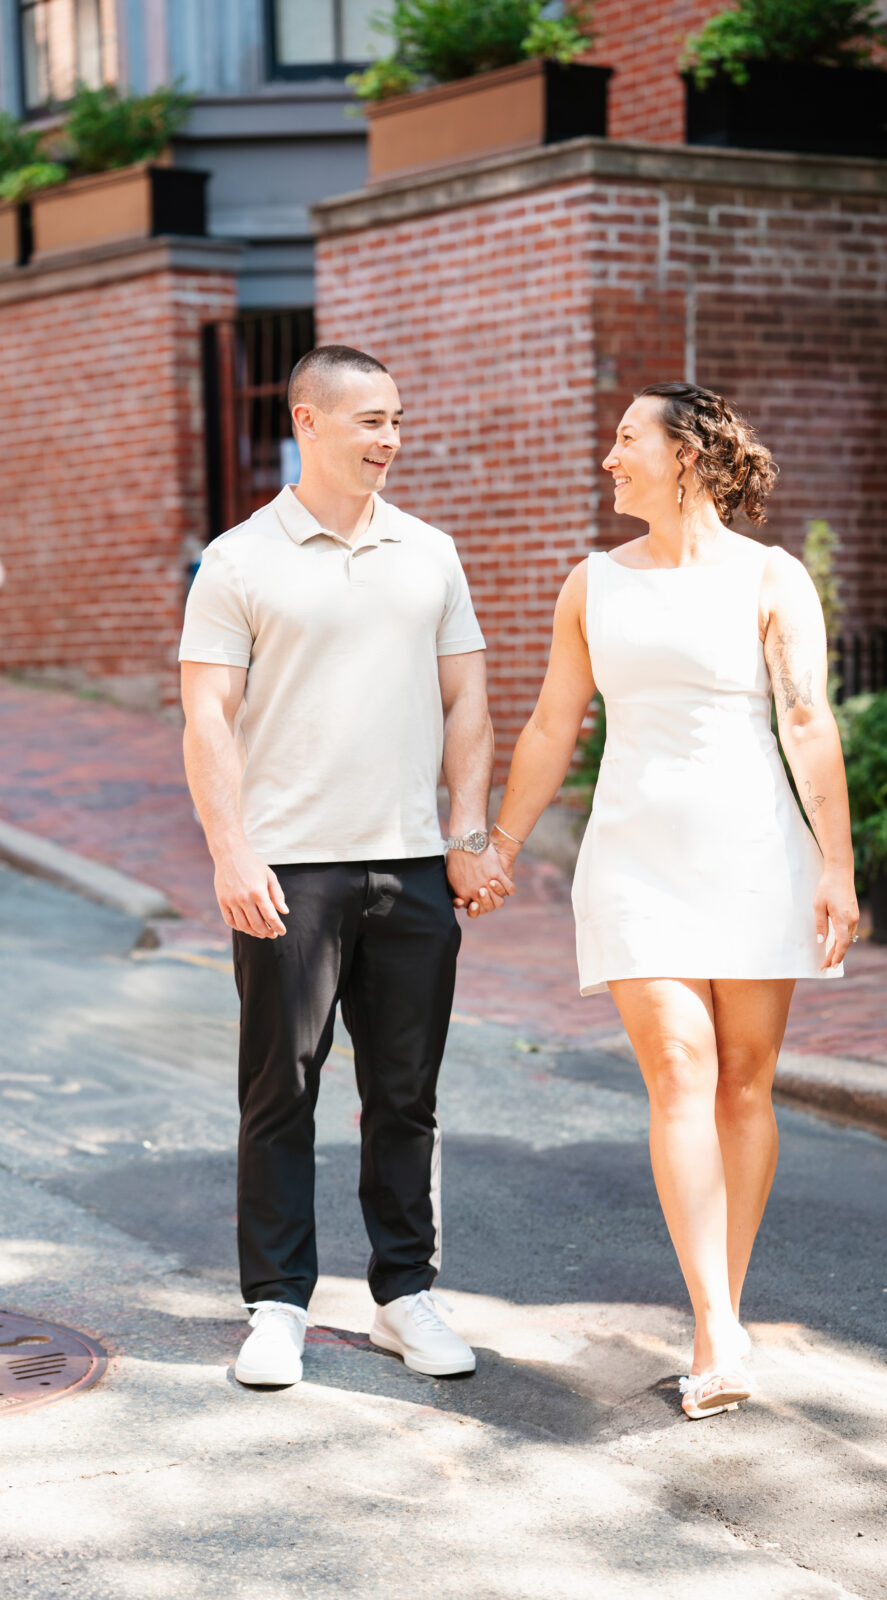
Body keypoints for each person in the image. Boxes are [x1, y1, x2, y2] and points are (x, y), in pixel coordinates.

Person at [485, 382, 858, 1420]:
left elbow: (806, 721)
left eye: (623, 440)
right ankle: (711, 1322)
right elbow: (552, 726)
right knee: (680, 1068)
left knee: (744, 1079)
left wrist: (836, 864)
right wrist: (496, 845)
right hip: (634, 857)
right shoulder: (591, 584)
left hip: (753, 853)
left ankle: (720, 1304)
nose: (608, 458)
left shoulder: (771, 579)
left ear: (684, 453)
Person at [179, 345, 513, 1388]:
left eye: (397, 419)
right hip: (290, 871)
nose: (390, 439)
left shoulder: (430, 552)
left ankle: (402, 1295)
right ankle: (275, 1306)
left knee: (406, 1094)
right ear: (307, 423)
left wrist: (467, 834)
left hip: (413, 867)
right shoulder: (238, 560)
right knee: (280, 1088)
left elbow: (466, 701)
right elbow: (206, 716)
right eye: (369, 419)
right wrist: (232, 850)